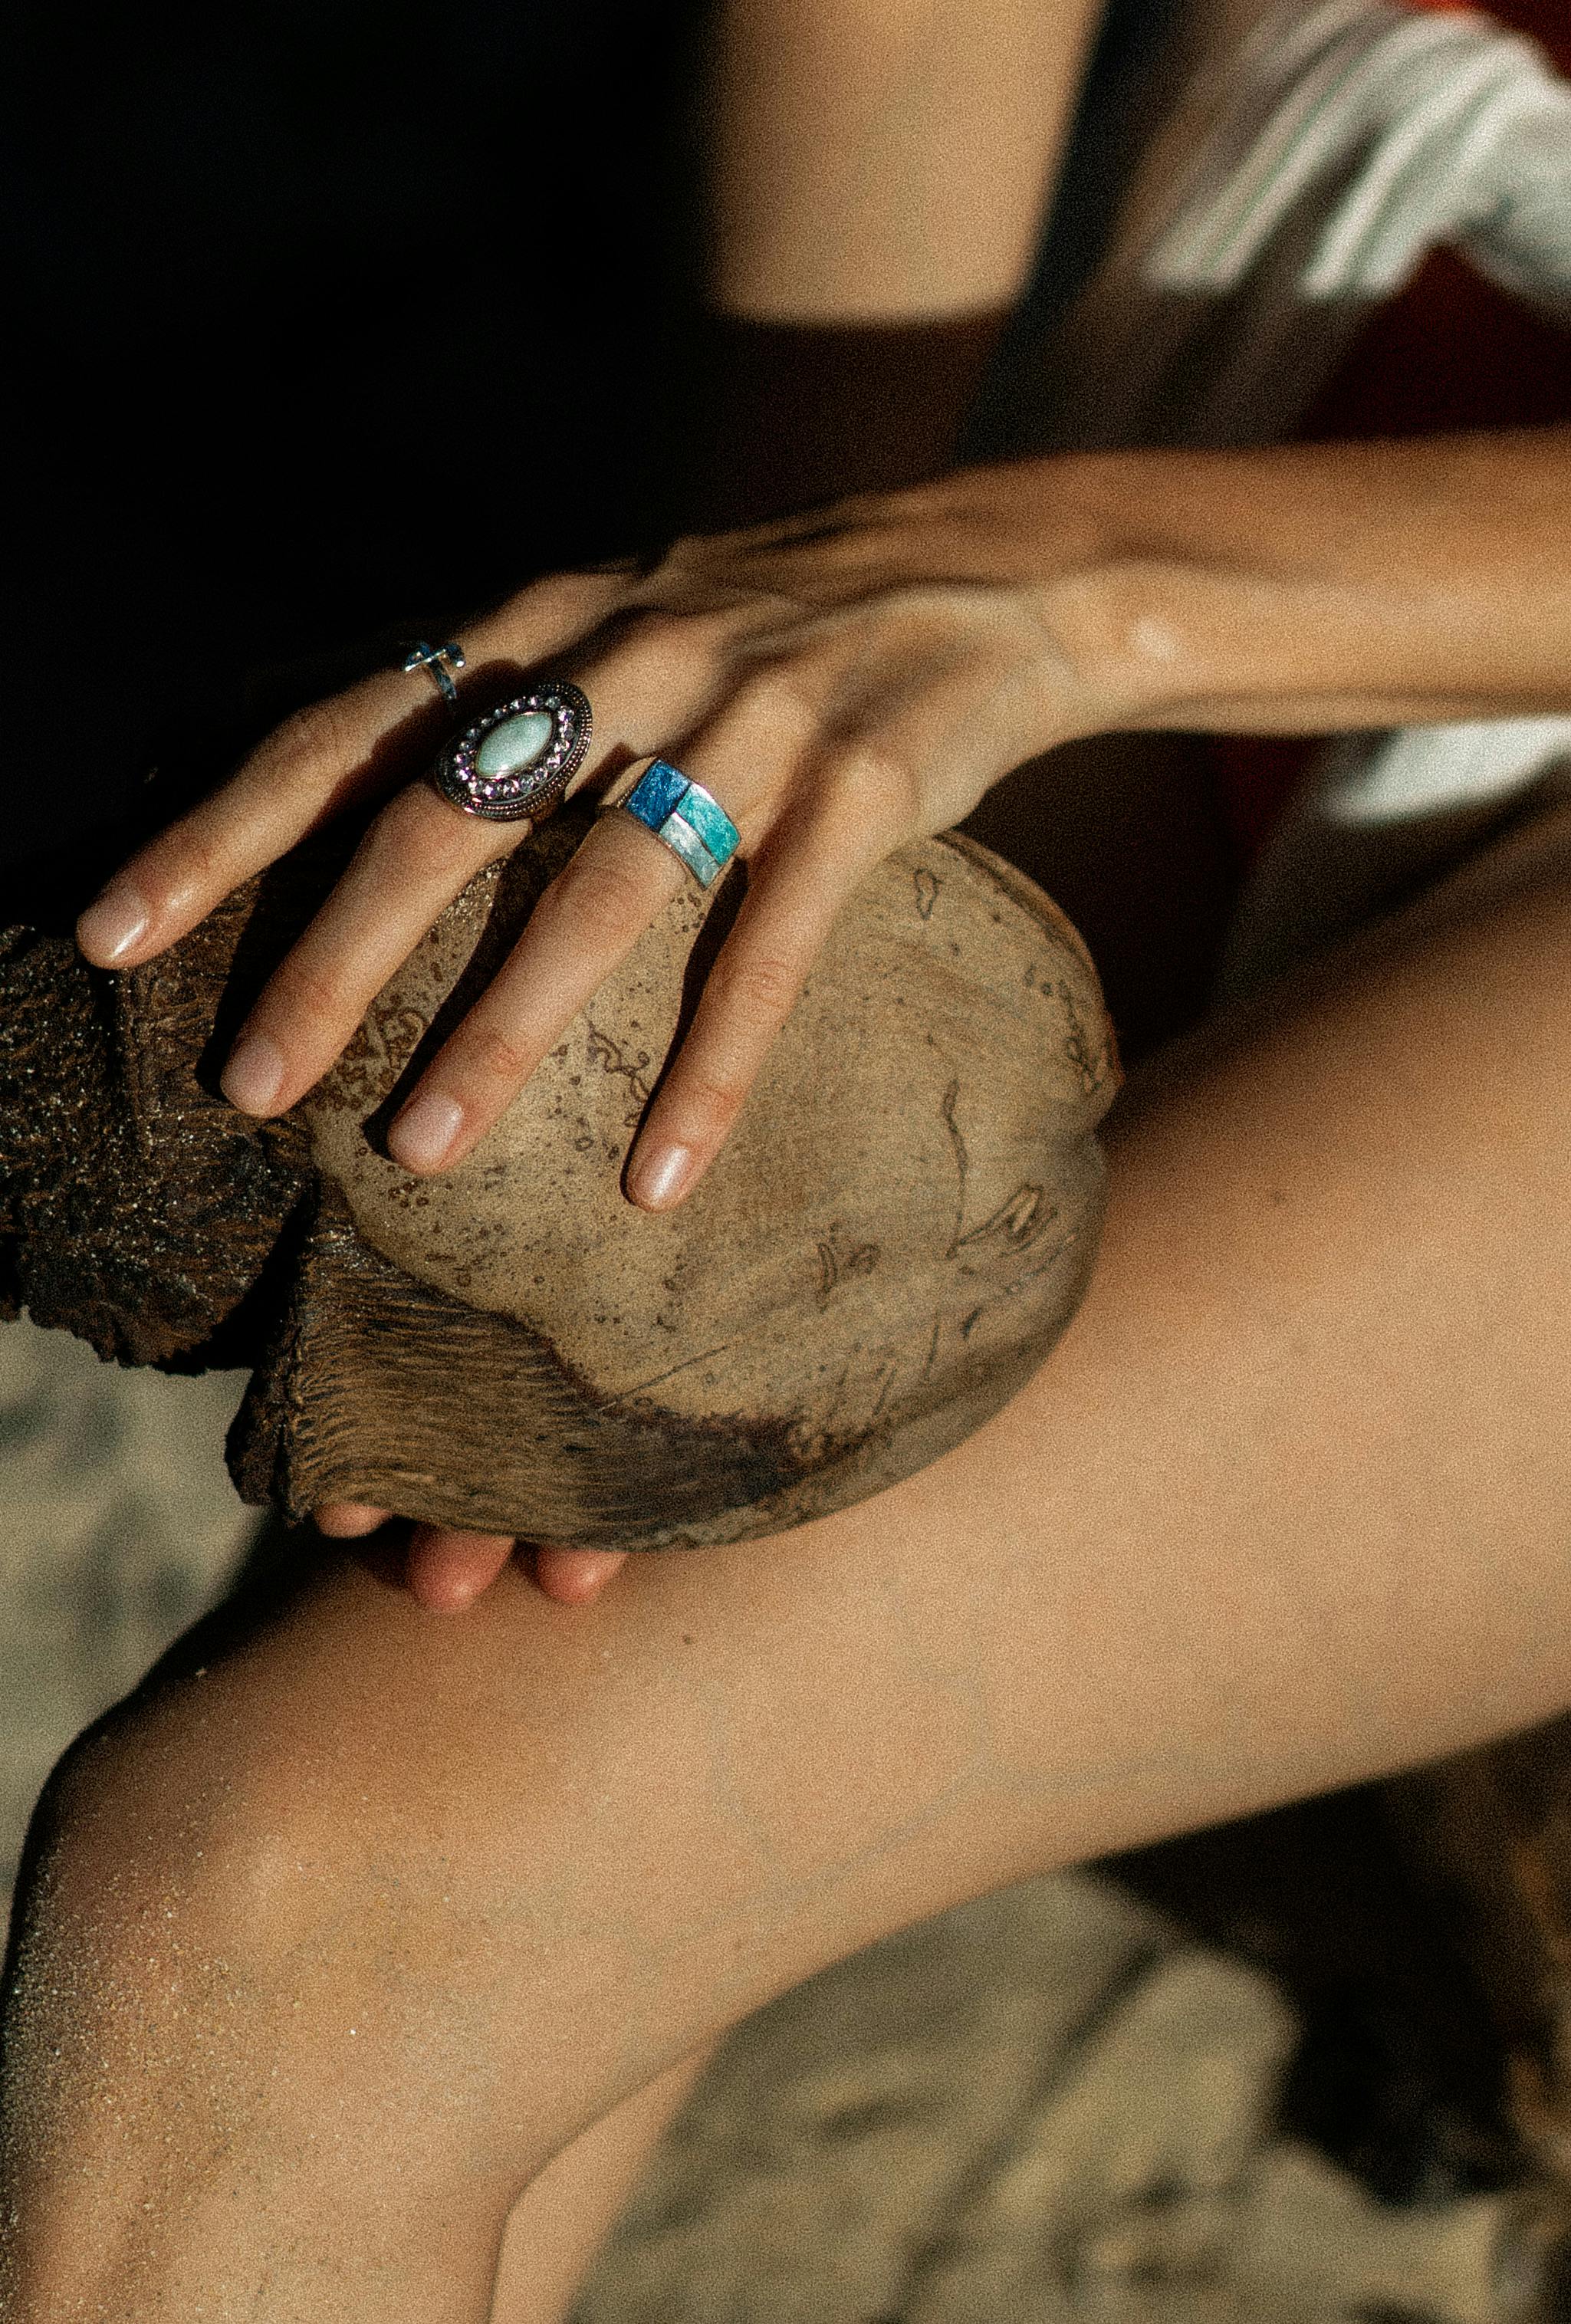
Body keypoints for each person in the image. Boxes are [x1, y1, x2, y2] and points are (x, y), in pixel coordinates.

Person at [5, 0, 1571, 2318]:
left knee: (280, 1909)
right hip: (1302, 300)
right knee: (323, 1881)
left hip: (1242, 554)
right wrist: (763, 620)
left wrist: (1063, 585)